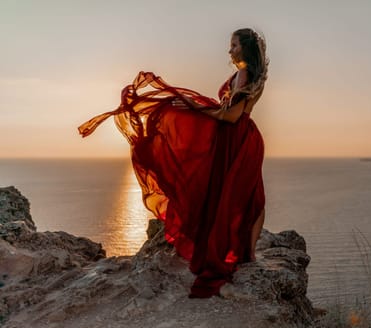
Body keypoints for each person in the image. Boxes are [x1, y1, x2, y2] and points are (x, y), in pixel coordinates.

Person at [78, 28, 268, 298]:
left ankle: (246, 255)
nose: (230, 50)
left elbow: (231, 116)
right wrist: (192, 106)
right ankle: (246, 255)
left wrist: (193, 105)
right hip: (233, 140)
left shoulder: (246, 75)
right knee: (239, 196)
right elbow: (226, 112)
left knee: (248, 197)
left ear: (245, 48)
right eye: (230, 45)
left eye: (234, 45)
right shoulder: (246, 74)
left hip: (239, 141)